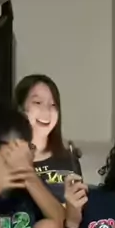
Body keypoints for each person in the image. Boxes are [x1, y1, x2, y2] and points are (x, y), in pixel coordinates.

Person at [15, 73, 82, 203]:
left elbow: (79, 209)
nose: (46, 111)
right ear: (20, 108)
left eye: (53, 105)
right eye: (38, 102)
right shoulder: (7, 158)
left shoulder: (69, 159)